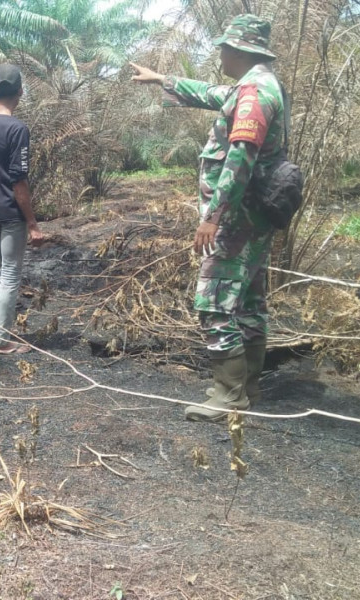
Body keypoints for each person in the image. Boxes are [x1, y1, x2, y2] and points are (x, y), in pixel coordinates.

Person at [130, 14, 286, 420]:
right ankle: (245, 386)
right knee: (250, 301)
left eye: (223, 47)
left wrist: (214, 216)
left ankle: (228, 395)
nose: (219, 53)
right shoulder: (254, 86)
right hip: (251, 218)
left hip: (237, 219)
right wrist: (161, 78)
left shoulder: (254, 93)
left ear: (239, 49)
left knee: (213, 301)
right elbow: (213, 93)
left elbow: (240, 156)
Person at [0, 63, 45, 354]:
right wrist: (33, 224)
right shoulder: (17, 129)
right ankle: (2, 341)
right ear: (21, 92)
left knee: (4, 271)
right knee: (11, 274)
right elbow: (19, 182)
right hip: (11, 213)